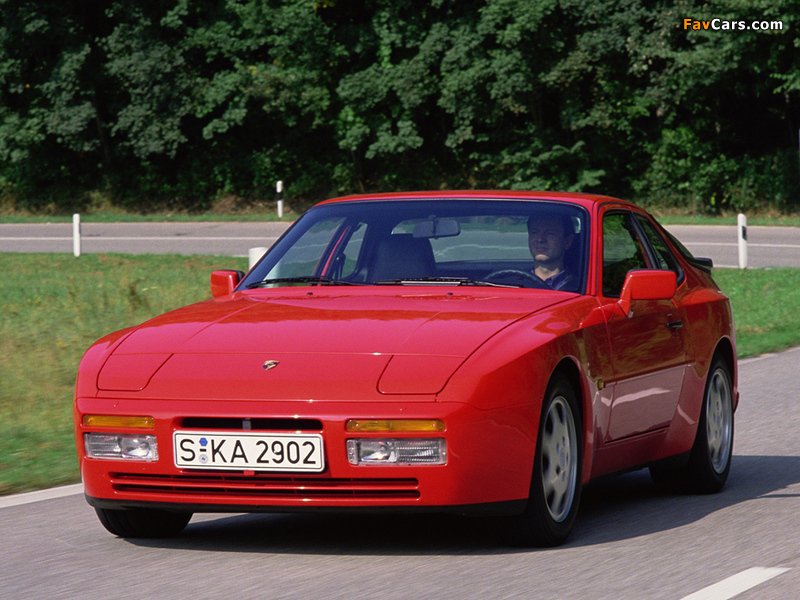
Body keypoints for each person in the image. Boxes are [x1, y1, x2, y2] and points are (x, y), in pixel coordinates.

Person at [527, 212, 578, 291]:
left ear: (567, 241)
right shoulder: (513, 285)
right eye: (534, 232)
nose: (540, 239)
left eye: (550, 233)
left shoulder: (579, 288)